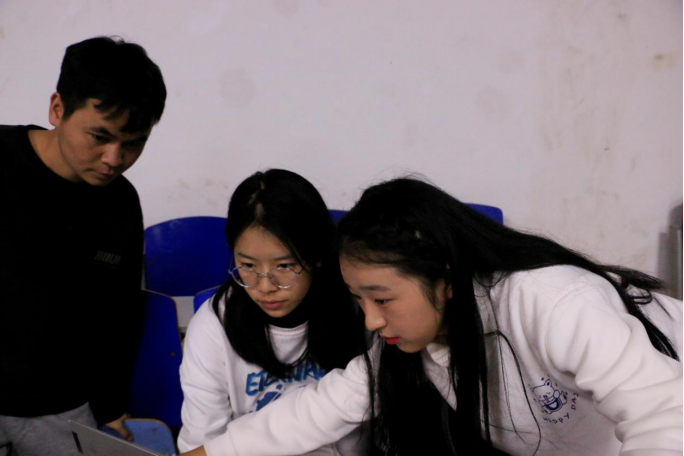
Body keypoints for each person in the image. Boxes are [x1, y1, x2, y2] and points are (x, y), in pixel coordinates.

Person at [180, 177, 683, 456]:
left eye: (381, 299)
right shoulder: (420, 339)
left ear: (444, 277)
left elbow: (665, 420)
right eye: (359, 300)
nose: (370, 321)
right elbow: (319, 409)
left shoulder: (553, 302)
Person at [0, 36, 166, 456]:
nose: (114, 158)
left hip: (61, 406)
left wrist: (110, 403)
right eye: (99, 136)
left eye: (133, 143)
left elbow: (119, 312)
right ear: (57, 109)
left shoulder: (120, 204)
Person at [177, 169, 369, 455]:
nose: (265, 286)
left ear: (317, 256)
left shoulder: (360, 309)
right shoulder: (213, 326)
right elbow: (202, 442)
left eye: (284, 266)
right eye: (248, 265)